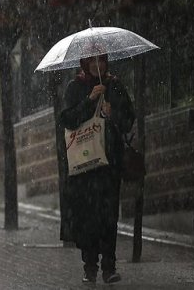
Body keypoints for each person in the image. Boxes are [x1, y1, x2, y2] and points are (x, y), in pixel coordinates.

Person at [60, 54, 135, 284]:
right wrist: (89, 100)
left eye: (100, 60)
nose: (96, 65)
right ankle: (90, 266)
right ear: (84, 63)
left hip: (109, 164)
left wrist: (114, 114)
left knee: (109, 215)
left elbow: (129, 120)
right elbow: (67, 119)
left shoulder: (114, 85)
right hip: (85, 166)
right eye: (91, 61)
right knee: (88, 217)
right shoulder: (75, 87)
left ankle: (109, 267)